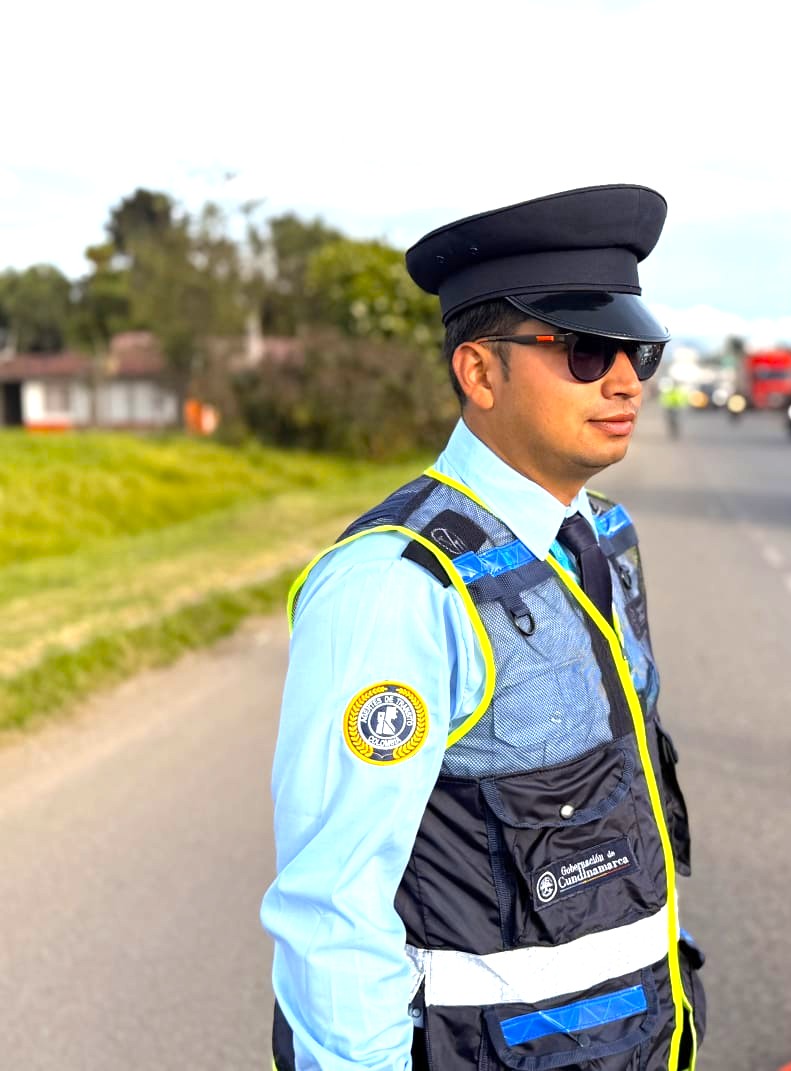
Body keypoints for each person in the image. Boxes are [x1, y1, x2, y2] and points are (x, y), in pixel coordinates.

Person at [261, 185, 705, 1071]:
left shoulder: (601, 535)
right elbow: (332, 912)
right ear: (479, 371)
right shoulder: (397, 586)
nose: (626, 380)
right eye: (585, 351)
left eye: (638, 351)